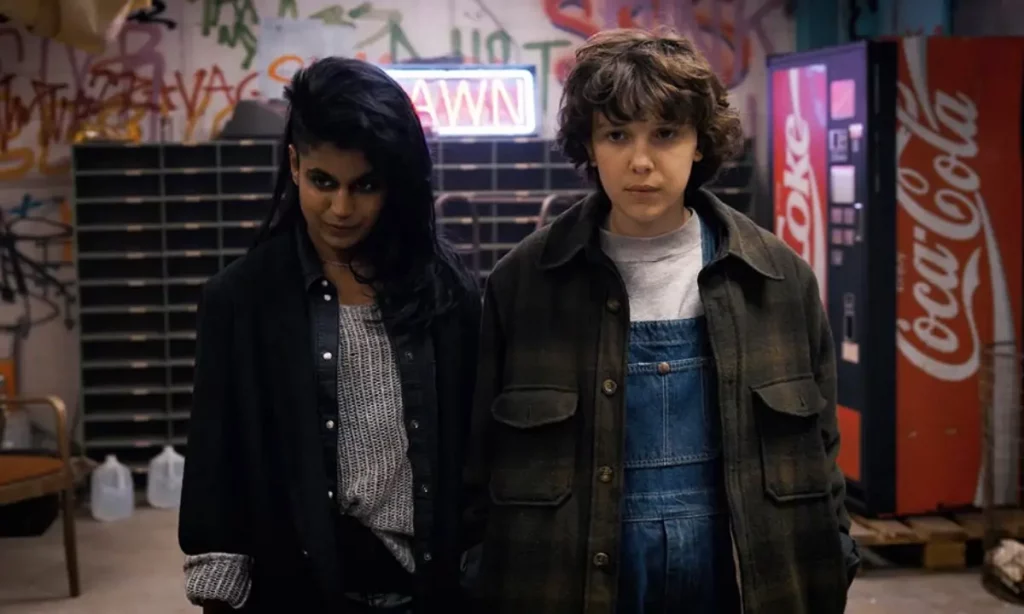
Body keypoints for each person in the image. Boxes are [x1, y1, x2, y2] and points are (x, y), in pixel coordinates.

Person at [463, 28, 860, 614]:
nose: (641, 162)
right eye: (617, 135)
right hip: (569, 583)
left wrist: (836, 555)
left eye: (666, 134)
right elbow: (479, 463)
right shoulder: (525, 284)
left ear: (699, 142)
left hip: (743, 582)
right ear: (589, 144)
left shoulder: (776, 279)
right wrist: (479, 572)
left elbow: (821, 449)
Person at [178, 57, 481, 614]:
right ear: (294, 164)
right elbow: (215, 470)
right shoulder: (240, 300)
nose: (341, 209)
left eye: (364, 186)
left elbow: (473, 451)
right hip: (298, 590)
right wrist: (219, 595)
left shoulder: (445, 291)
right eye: (324, 182)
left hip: (429, 589)